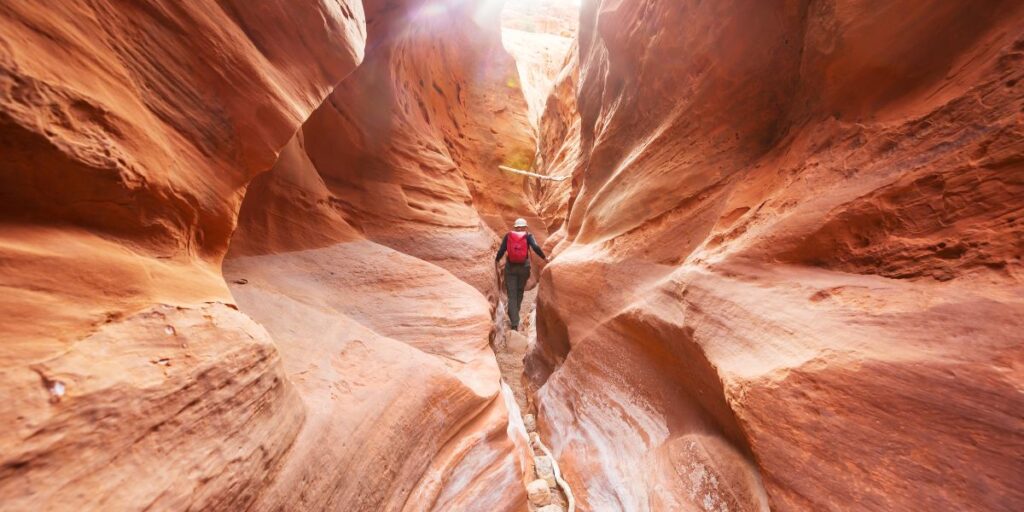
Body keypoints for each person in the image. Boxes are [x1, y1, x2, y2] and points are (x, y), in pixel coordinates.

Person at [494, 218, 547, 330]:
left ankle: (514, 322)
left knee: (511, 294)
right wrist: (544, 257)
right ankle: (515, 316)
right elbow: (535, 247)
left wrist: (497, 260)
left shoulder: (508, 236)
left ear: (515, 227)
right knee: (519, 291)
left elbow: (502, 250)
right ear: (525, 227)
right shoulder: (528, 236)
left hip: (510, 267)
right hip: (524, 267)